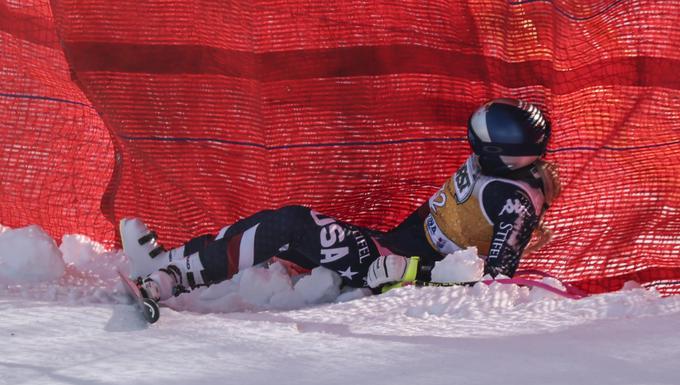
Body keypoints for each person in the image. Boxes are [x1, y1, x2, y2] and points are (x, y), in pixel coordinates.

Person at [120, 98, 560, 302]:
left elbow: (496, 280)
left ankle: (173, 280)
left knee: (291, 224)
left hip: (395, 269)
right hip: (394, 247)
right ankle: (171, 259)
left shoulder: (514, 202)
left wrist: (407, 269)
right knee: (281, 227)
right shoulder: (499, 168)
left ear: (495, 153)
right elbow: (440, 215)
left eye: (476, 141)